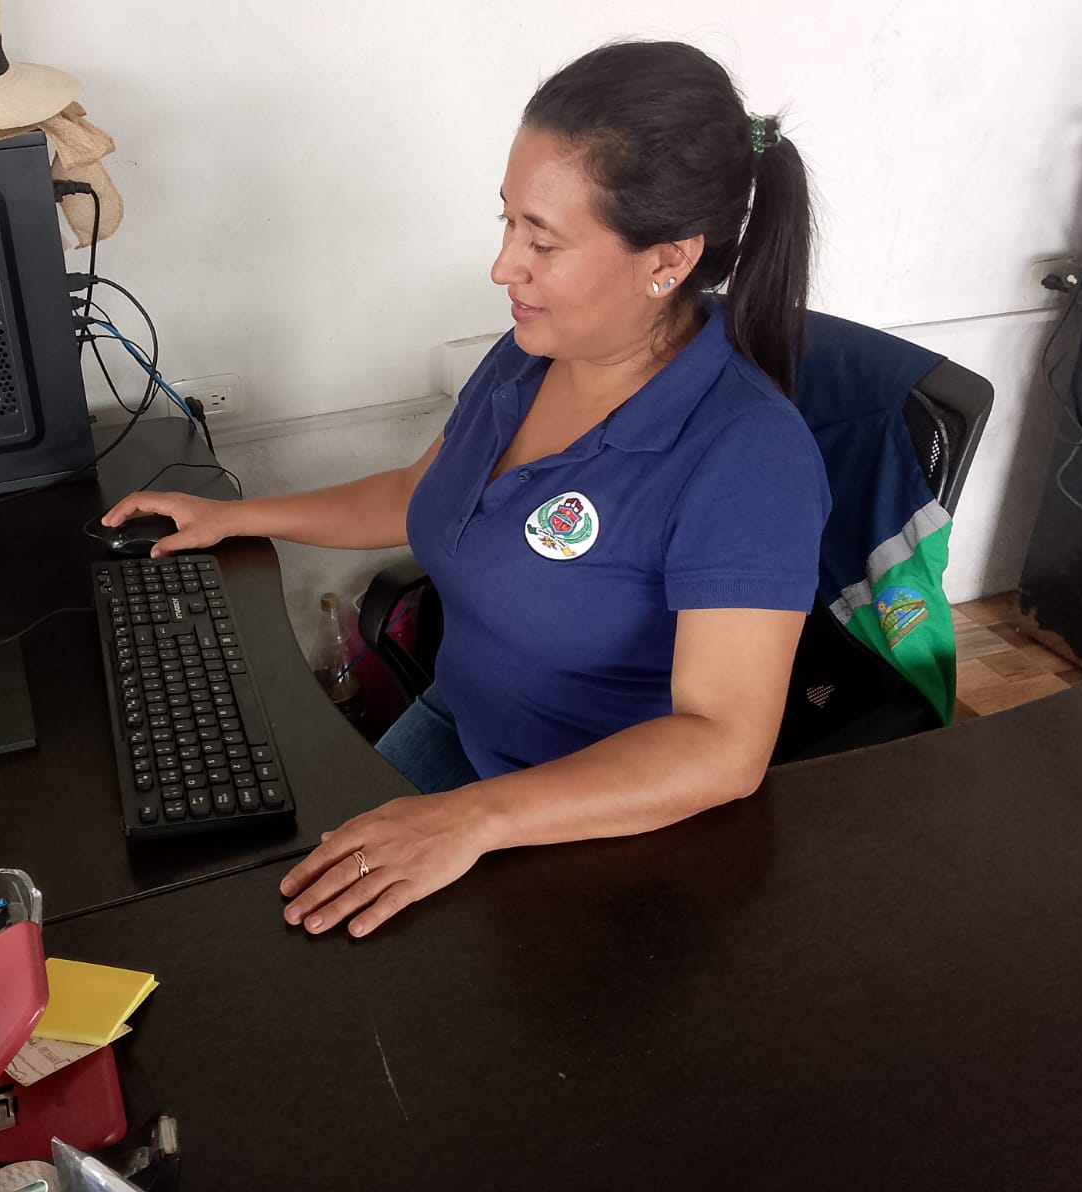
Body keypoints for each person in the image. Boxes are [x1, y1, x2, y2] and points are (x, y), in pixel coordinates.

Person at [101, 40, 831, 938]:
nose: (503, 266)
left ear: (668, 260)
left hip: (594, 810)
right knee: (250, 902)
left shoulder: (748, 456)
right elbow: (423, 491)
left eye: (542, 241)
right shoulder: (531, 355)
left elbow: (722, 746)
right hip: (465, 726)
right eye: (508, 222)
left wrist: (472, 819)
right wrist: (235, 516)